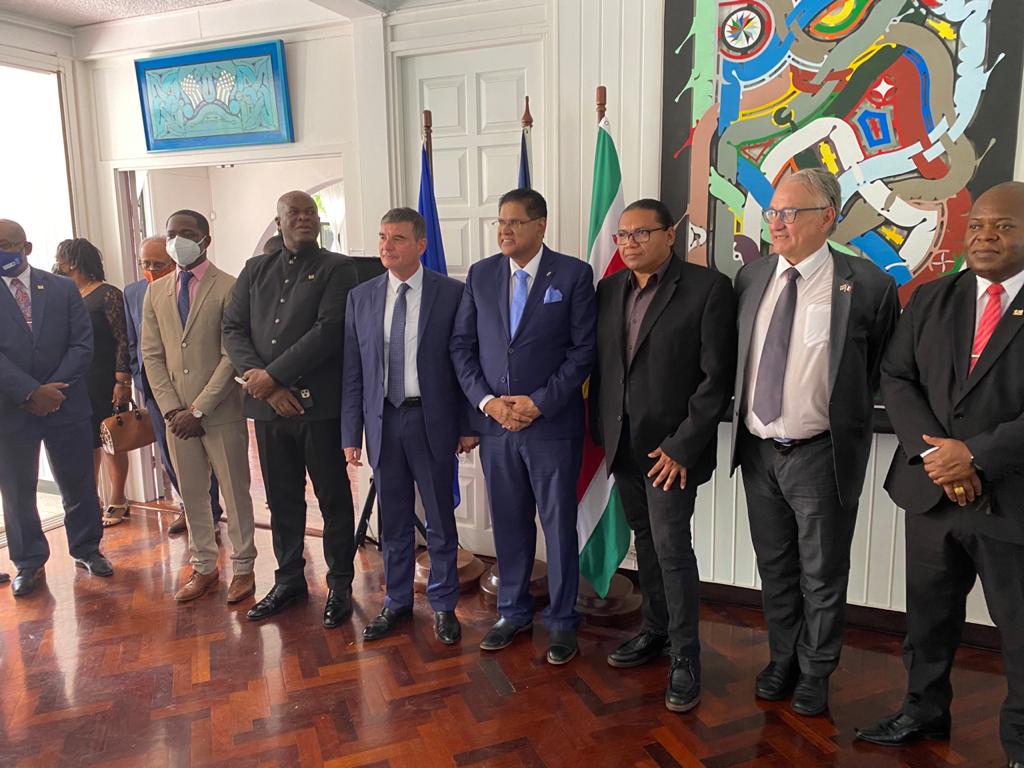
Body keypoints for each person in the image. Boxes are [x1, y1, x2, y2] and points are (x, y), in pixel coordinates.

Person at [855, 182, 1024, 768]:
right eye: (977, 225)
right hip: (933, 496)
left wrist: (974, 455)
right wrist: (940, 459)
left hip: (1012, 502)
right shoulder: (933, 297)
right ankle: (923, 711)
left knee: (1020, 631)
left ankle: (1020, 743)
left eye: (1004, 226)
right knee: (928, 619)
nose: (985, 236)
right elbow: (896, 377)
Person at [730, 168, 899, 716]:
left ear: (827, 217)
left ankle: (817, 670)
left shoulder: (868, 285)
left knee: (822, 573)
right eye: (772, 212)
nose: (776, 223)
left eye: (789, 213)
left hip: (820, 454)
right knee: (775, 567)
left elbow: (877, 370)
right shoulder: (752, 277)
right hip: (759, 452)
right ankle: (783, 658)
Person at [590, 199, 737, 711]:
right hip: (623, 444)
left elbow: (716, 380)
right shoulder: (610, 289)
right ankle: (655, 630)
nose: (629, 243)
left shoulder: (707, 288)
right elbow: (607, 369)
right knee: (646, 542)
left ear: (669, 235)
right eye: (622, 235)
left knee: (673, 548)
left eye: (641, 233)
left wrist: (681, 446)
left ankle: (685, 656)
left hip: (670, 451)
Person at [451, 188, 596, 664]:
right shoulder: (481, 274)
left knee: (558, 528)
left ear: (541, 225)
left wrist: (539, 403)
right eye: (500, 222)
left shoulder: (573, 274)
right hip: (497, 428)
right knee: (509, 526)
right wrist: (488, 404)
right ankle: (512, 613)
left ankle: (562, 622)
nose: (505, 230)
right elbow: (462, 348)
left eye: (514, 221)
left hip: (550, 428)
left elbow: (583, 351)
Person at [223, 190, 359, 626]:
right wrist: (264, 385)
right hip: (268, 410)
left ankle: (339, 584)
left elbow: (329, 330)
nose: (304, 218)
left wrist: (274, 377)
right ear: (279, 221)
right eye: (294, 213)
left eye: (310, 212)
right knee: (281, 500)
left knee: (333, 499)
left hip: (318, 410)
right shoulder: (255, 270)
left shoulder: (338, 268)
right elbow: (232, 328)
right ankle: (289, 581)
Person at [342, 208, 476, 644]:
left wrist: (468, 424)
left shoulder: (451, 293)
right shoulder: (361, 297)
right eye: (382, 237)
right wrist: (351, 434)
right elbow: (354, 371)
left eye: (397, 238)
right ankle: (396, 602)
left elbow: (464, 363)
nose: (386, 246)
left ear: (420, 244)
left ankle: (444, 606)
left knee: (439, 519)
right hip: (383, 421)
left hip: (431, 420)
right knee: (393, 521)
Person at [142, 210, 258, 604]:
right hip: (176, 418)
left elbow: (232, 355)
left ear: (205, 240)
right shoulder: (156, 292)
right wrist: (172, 410)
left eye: (187, 233)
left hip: (220, 412)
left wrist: (199, 409)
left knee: (235, 494)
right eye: (172, 234)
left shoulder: (229, 286)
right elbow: (152, 355)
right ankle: (204, 566)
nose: (177, 241)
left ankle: (243, 568)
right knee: (192, 495)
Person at [0, 219, 113, 597]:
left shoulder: (63, 288)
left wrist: (53, 391)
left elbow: (82, 344)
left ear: (26, 248)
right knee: (18, 489)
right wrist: (30, 392)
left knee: (78, 481)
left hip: (66, 403)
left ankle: (87, 549)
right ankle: (28, 562)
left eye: (7, 244)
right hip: (12, 407)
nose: (2, 252)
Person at [124, 236, 223, 535]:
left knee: (204, 455)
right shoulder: (133, 292)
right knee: (170, 455)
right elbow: (133, 343)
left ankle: (210, 511)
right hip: (156, 392)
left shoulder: (202, 288)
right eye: (145, 264)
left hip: (195, 389)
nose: (151, 270)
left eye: (158, 264)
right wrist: (137, 377)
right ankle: (187, 508)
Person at [53, 238, 133, 527]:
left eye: (60, 258)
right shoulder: (65, 294)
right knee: (86, 443)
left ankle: (118, 499)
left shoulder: (107, 294)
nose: (56, 264)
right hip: (77, 380)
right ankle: (92, 500)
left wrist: (122, 380)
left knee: (111, 439)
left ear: (74, 261)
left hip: (105, 378)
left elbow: (123, 338)